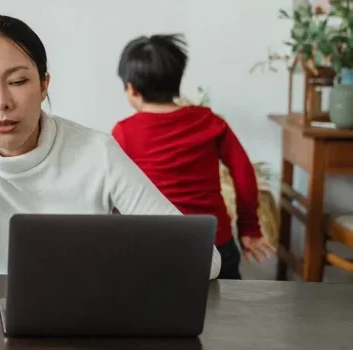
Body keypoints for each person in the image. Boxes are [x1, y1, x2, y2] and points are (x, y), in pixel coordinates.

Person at [0, 14, 221, 281]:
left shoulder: (97, 152)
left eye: (18, 82)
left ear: (43, 84)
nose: (1, 103)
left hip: (85, 316)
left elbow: (205, 261)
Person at [111, 34, 275, 280]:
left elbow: (113, 190)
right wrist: (249, 227)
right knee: (227, 313)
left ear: (131, 89)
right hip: (214, 245)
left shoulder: (124, 132)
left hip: (155, 249)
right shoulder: (210, 121)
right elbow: (243, 174)